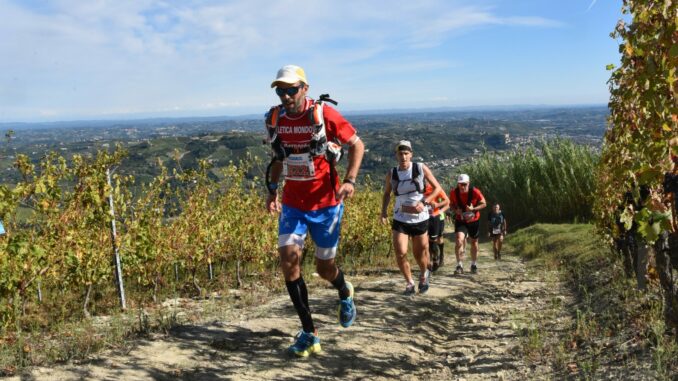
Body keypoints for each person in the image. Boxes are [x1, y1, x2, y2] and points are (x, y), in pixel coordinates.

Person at [265, 65, 365, 357]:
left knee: (324, 269)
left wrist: (350, 181)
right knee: (289, 261)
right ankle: (310, 332)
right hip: (294, 205)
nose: (286, 96)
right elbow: (278, 159)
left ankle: (344, 290)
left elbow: (357, 146)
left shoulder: (324, 115)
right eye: (280, 90)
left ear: (304, 88)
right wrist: (272, 191)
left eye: (291, 89)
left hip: (326, 205)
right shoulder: (275, 119)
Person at [380, 140, 444, 295]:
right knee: (400, 251)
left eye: (406, 153)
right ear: (396, 155)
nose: (403, 156)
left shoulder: (420, 168)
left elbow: (437, 189)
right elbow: (387, 193)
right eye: (400, 153)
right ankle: (409, 282)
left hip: (419, 218)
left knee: (419, 253)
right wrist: (383, 212)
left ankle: (423, 274)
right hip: (400, 217)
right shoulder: (392, 173)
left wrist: (424, 202)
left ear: (411, 154)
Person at [448, 174, 487, 274]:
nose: (462, 186)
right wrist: (456, 210)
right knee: (459, 240)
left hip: (474, 220)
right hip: (461, 220)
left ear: (468, 184)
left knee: (474, 242)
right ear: (458, 184)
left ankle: (473, 264)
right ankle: (459, 265)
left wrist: (473, 209)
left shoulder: (475, 191)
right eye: (460, 184)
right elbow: (451, 205)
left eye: (464, 184)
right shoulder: (453, 192)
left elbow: (484, 203)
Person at [423, 182, 449, 271]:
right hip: (423, 218)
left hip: (438, 217)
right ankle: (431, 260)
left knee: (439, 239)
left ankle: (440, 255)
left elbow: (447, 202)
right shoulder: (416, 189)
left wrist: (438, 209)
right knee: (426, 241)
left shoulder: (435, 188)